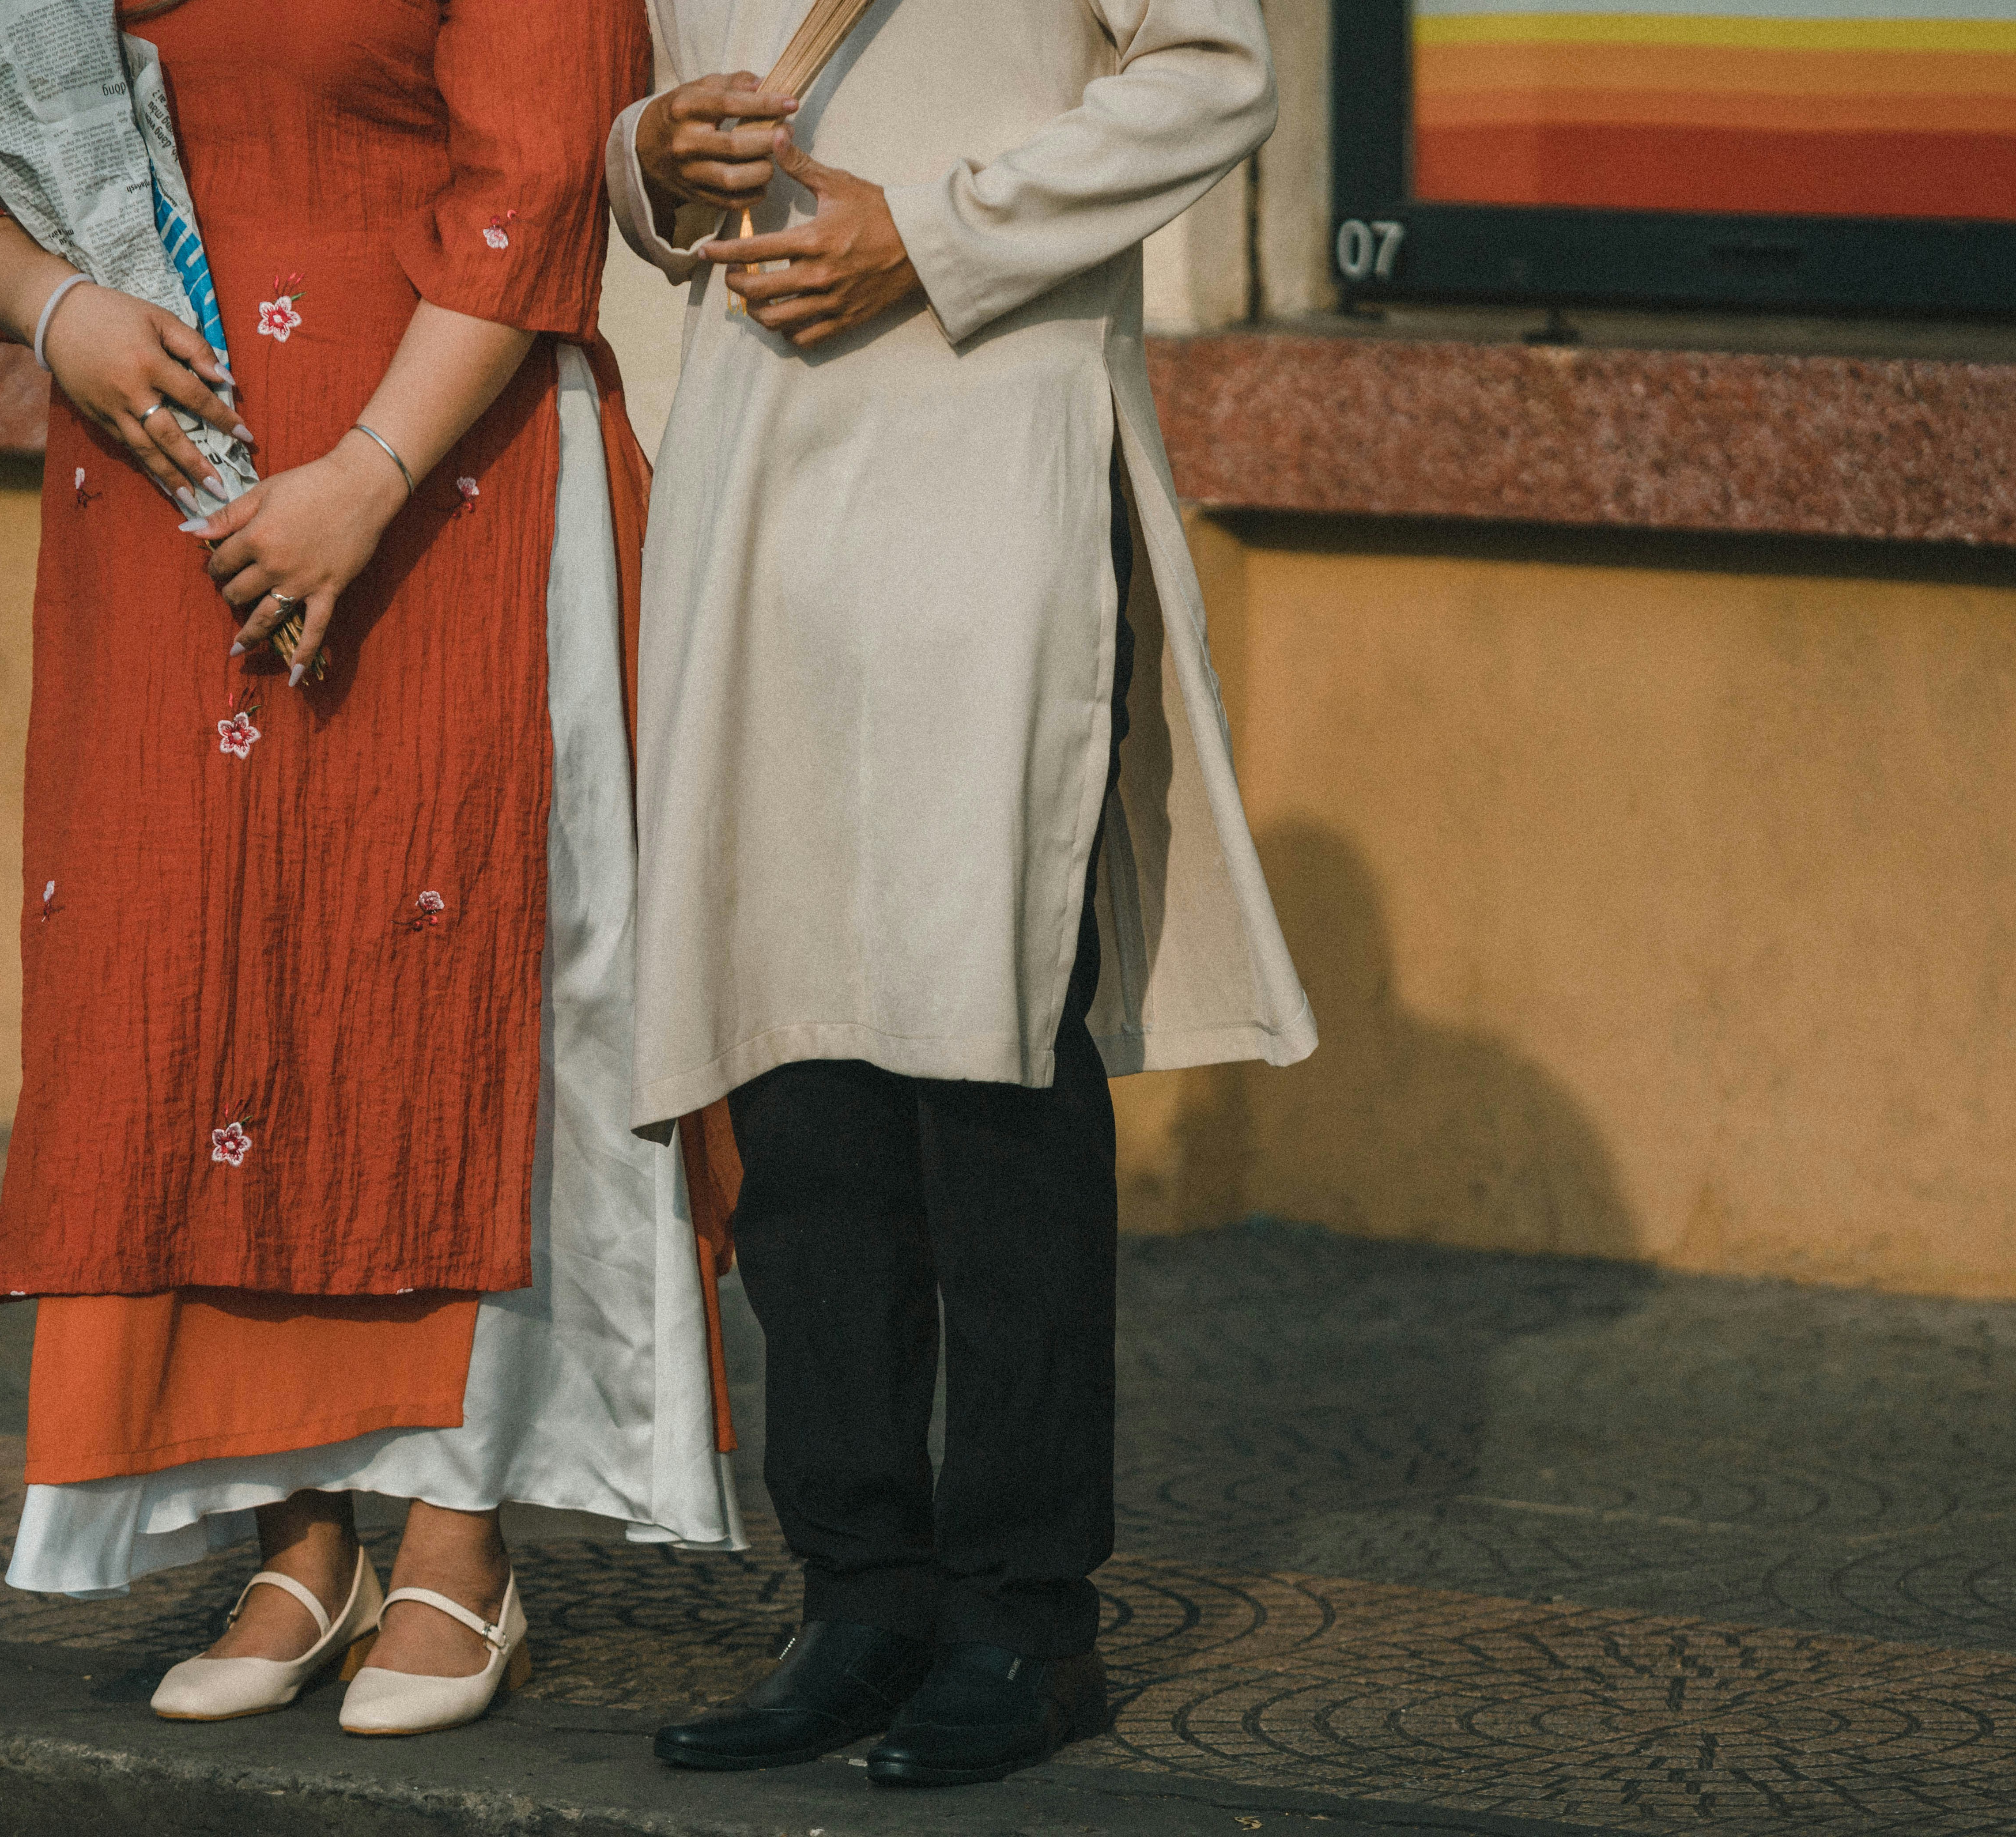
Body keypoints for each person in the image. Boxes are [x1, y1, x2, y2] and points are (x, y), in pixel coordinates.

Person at [0, 0, 741, 1740]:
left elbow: (539, 186)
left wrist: (366, 477)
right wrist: (58, 313)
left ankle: (461, 1536)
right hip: (165, 498)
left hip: (446, 481)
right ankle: (303, 1538)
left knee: (441, 986)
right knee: (195, 996)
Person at [605, 0, 1314, 1789]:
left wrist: (925, 238)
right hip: (754, 467)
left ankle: (1019, 1608)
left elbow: (1216, 73)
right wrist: (650, 159)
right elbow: (635, 113)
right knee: (794, 1059)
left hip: (990, 458)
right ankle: (858, 1589)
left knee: (984, 1050)